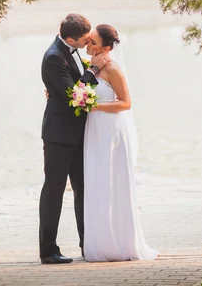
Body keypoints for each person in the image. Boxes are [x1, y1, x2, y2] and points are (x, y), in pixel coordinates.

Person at [83, 24, 158, 262]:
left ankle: (121, 243)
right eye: (88, 41)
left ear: (106, 47)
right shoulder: (91, 68)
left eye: (93, 42)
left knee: (112, 182)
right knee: (96, 183)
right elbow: (79, 91)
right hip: (94, 131)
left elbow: (126, 103)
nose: (88, 45)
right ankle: (101, 243)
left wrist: (95, 106)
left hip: (112, 132)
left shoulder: (113, 69)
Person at [39, 13, 110, 264]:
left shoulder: (72, 50)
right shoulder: (54, 57)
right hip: (58, 135)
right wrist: (92, 70)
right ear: (71, 38)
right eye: (84, 39)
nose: (88, 41)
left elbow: (73, 87)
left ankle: (87, 244)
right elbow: (74, 95)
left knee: (83, 190)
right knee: (54, 191)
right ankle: (48, 250)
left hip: (80, 134)